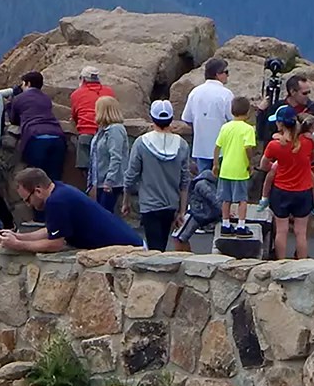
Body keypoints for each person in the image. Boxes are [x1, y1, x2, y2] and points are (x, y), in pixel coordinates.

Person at [0, 168, 144, 251]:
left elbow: (55, 243)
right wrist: (19, 236)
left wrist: (18, 245)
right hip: (132, 244)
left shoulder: (56, 202)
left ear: (38, 191)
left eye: (28, 199)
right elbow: (52, 230)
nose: (29, 205)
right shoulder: (60, 190)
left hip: (128, 251)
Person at [124, 99, 190, 251]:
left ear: (152, 118)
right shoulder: (181, 145)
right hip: (171, 203)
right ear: (171, 119)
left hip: (149, 204)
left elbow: (131, 175)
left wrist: (126, 200)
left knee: (154, 246)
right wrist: (182, 209)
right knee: (162, 245)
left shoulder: (142, 143)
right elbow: (185, 180)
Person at [260, 105, 314, 260]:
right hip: (303, 190)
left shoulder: (275, 145)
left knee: (282, 230)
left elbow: (263, 165)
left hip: (282, 190)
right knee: (301, 232)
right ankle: (303, 263)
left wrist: (275, 166)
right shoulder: (306, 142)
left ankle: (281, 262)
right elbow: (312, 157)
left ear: (279, 124)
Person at [9, 71, 67, 182]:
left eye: (23, 84)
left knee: (36, 180)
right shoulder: (46, 98)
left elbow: (13, 120)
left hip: (36, 138)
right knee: (55, 179)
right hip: (57, 137)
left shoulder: (19, 98)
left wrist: (10, 102)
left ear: (28, 84)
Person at [256, 74, 314, 147]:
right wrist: (261, 112)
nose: (307, 96)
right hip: (281, 156)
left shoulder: (313, 108)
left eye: (308, 92)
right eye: (304, 93)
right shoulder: (279, 108)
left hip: (304, 158)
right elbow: (263, 133)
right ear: (293, 92)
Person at [213, 96, 258, 236]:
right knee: (242, 199)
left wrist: (215, 164)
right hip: (240, 169)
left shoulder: (225, 127)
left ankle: (225, 224)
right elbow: (248, 148)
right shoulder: (248, 129)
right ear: (248, 112)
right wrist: (250, 163)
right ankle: (241, 225)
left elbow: (217, 147)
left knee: (226, 199)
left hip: (225, 168)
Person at [182, 58, 233, 174]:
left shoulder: (195, 92)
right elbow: (233, 120)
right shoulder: (226, 94)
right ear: (217, 74)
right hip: (222, 149)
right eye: (226, 72)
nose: (227, 76)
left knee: (202, 181)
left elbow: (187, 118)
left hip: (201, 147)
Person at [70, 65, 116, 177]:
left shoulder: (76, 94)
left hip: (87, 132)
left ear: (83, 79)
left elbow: (75, 116)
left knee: (86, 169)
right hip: (107, 133)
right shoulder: (109, 92)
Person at [88, 95, 130, 214]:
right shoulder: (102, 130)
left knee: (105, 215)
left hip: (111, 183)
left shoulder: (115, 130)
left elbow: (116, 156)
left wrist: (109, 180)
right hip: (100, 181)